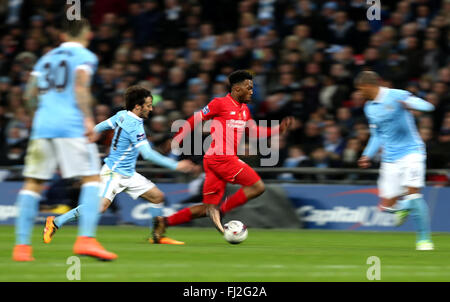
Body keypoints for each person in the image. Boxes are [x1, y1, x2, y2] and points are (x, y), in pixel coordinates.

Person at [12, 18, 117, 261]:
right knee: (92, 179)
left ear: (62, 34)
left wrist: (38, 117)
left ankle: (22, 248)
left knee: (33, 184)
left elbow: (29, 94)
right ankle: (86, 240)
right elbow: (80, 87)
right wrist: (89, 120)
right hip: (70, 125)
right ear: (87, 33)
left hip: (42, 125)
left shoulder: (45, 58)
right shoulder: (85, 56)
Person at [152, 70, 293, 242]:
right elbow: (196, 119)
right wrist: (176, 138)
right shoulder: (219, 103)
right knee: (257, 187)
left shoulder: (244, 110)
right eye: (248, 88)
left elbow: (254, 132)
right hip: (221, 157)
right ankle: (221, 211)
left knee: (207, 208)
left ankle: (164, 222)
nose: (251, 91)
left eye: (252, 88)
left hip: (215, 160)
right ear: (237, 88)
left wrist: (277, 129)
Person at [43, 86, 195, 245]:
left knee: (157, 197)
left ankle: (156, 237)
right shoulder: (134, 125)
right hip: (113, 174)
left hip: (128, 173)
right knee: (99, 207)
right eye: (148, 105)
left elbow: (101, 126)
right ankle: (55, 222)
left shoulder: (122, 115)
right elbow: (148, 154)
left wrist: (89, 136)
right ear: (138, 107)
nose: (151, 108)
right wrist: (175, 166)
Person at [355, 71, 435, 251]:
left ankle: (424, 240)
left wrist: (411, 103)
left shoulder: (397, 95)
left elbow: (428, 107)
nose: (359, 94)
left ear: (368, 86)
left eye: (360, 90)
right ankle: (404, 206)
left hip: (411, 152)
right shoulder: (369, 107)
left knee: (414, 193)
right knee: (386, 205)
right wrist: (367, 154)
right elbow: (377, 135)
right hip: (389, 159)